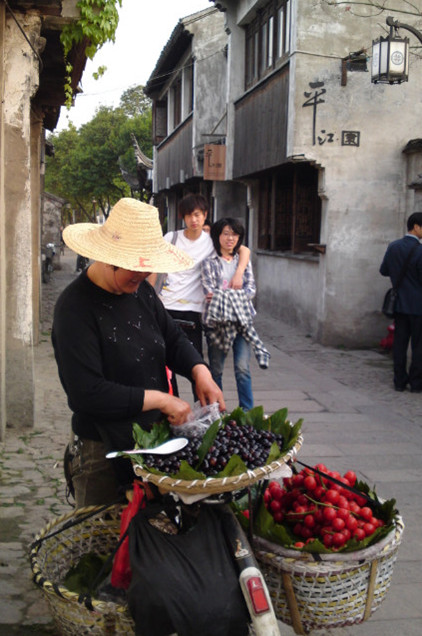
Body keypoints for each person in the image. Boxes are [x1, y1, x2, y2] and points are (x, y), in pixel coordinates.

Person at [52, 198, 225, 508]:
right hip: (103, 450)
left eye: (147, 270)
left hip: (151, 441)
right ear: (109, 258)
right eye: (135, 268)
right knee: (104, 546)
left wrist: (200, 370)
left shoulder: (140, 290)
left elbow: (171, 337)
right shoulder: (75, 309)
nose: (143, 276)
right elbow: (86, 393)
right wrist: (161, 399)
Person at [150, 193, 250, 394]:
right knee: (164, 365)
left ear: (205, 215)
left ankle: (203, 411)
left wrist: (239, 273)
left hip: (193, 310)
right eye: (188, 215)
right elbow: (155, 266)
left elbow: (243, 250)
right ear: (182, 217)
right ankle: (173, 407)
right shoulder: (172, 238)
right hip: (166, 306)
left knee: (194, 364)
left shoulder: (212, 241)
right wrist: (150, 298)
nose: (193, 220)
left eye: (197, 214)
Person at [201, 218, 270, 411]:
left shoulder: (243, 262)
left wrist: (225, 296)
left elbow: (251, 290)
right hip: (217, 324)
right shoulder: (209, 263)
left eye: (234, 234)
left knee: (242, 368)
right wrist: (234, 296)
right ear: (217, 236)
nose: (230, 238)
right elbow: (210, 292)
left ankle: (246, 412)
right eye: (225, 233)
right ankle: (217, 411)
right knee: (216, 370)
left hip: (242, 323)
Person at [380, 212, 422, 392]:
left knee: (399, 344)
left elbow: (384, 270)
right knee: (418, 346)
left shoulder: (393, 246)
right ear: (416, 226)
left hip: (399, 304)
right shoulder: (420, 251)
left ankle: (399, 381)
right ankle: (416, 383)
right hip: (418, 305)